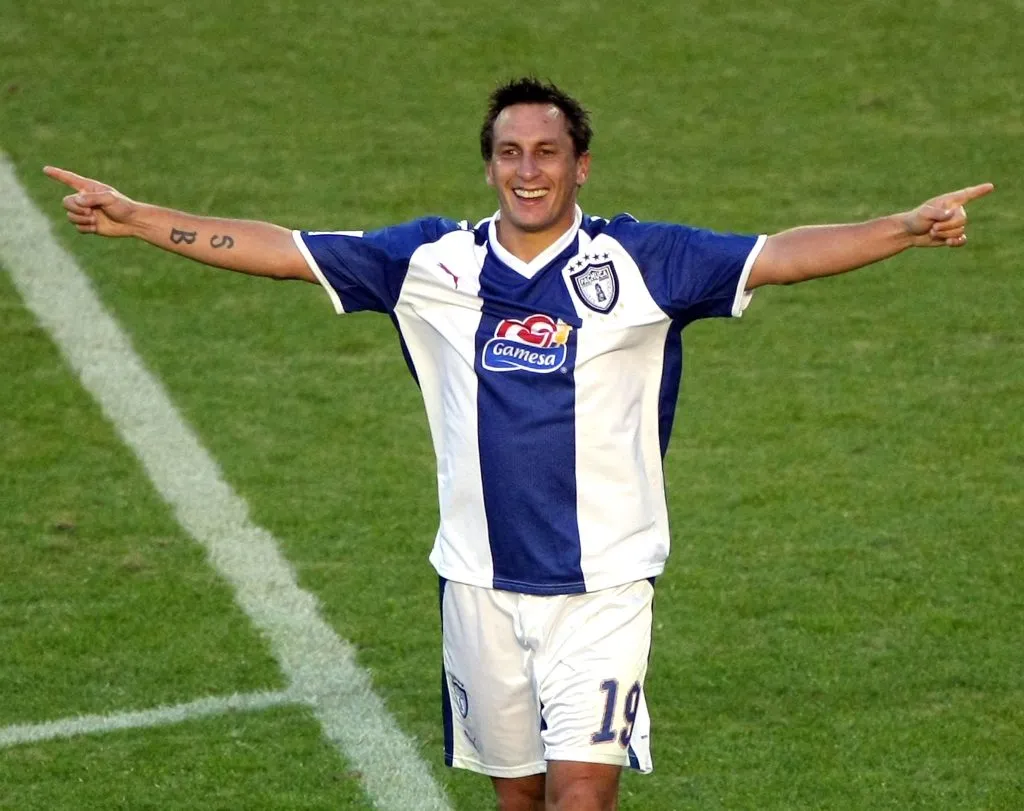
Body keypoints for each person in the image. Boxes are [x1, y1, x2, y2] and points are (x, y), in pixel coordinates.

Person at [46, 77, 992, 811]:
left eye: (547, 151)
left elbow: (778, 254)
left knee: (584, 791)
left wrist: (901, 230)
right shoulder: (429, 262)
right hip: (479, 586)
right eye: (509, 152)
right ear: (491, 166)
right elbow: (280, 247)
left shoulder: (643, 260)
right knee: (518, 794)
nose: (528, 169)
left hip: (606, 588)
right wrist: (139, 219)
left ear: (582, 165)